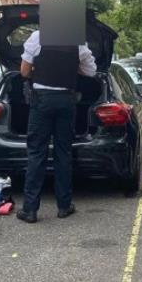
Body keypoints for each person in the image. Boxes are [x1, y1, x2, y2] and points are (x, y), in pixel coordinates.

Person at [16, 30, 97, 223]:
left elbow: (24, 72)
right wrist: (71, 68)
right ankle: (64, 206)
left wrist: (39, 69)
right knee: (63, 152)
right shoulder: (78, 43)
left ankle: (30, 209)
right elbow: (91, 71)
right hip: (66, 101)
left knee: (37, 152)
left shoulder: (37, 36)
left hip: (42, 101)